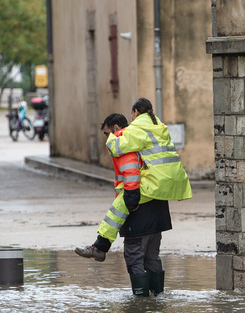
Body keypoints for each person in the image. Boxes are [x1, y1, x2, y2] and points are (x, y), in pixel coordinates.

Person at [75, 98, 192, 297]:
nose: (107, 137)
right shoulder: (158, 127)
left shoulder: (131, 135)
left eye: (106, 133)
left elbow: (127, 168)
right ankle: (158, 299)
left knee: (134, 257)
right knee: (152, 256)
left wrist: (131, 197)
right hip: (160, 197)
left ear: (135, 112)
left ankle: (141, 304)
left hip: (141, 204)